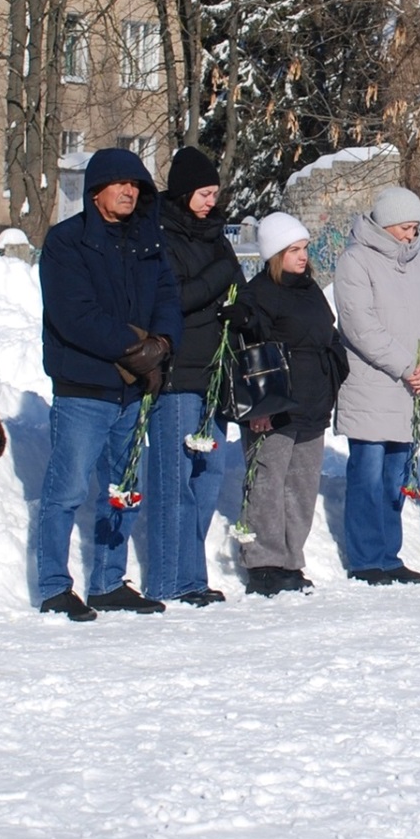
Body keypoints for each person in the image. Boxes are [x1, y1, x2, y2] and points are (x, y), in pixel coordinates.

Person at [35, 147, 182, 621]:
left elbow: (167, 298)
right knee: (67, 489)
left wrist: (161, 343)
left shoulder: (147, 241)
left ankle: (107, 581)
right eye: (120, 184)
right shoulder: (66, 242)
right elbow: (73, 315)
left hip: (135, 387)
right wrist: (135, 348)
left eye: (137, 185)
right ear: (96, 190)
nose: (129, 192)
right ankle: (54, 586)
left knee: (123, 488)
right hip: (85, 386)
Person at [332, 187, 420, 584]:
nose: (410, 235)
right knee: (366, 473)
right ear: (384, 225)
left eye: (415, 228)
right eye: (404, 227)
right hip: (371, 385)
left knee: (395, 476)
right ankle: (366, 559)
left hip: (410, 388)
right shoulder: (355, 261)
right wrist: (405, 365)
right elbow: (359, 325)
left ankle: (389, 554)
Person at [230, 212, 347, 595]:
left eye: (304, 248)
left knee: (301, 487)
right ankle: (263, 561)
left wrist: (334, 373)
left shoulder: (309, 289)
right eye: (293, 249)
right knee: (267, 483)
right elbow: (249, 352)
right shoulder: (259, 292)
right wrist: (259, 409)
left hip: (313, 401)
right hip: (276, 405)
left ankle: (290, 558)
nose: (302, 256)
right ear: (275, 254)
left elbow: (327, 335)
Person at [155, 146, 243, 605]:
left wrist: (240, 308)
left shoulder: (215, 237)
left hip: (216, 374)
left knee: (208, 479)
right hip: (178, 373)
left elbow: (234, 288)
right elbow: (176, 297)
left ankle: (193, 574)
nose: (211, 201)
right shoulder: (162, 232)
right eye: (204, 193)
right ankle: (172, 577)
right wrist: (221, 275)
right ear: (185, 191)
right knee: (177, 481)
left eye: (215, 193)